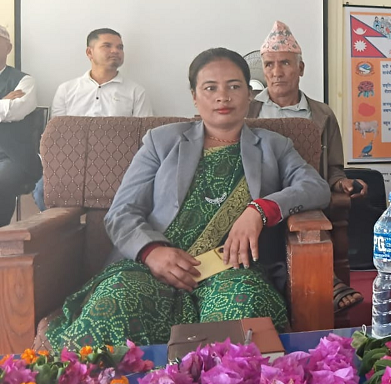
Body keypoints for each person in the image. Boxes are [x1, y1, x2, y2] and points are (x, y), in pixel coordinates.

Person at [43, 48, 331, 348]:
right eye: (210, 88)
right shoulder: (162, 141)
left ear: (249, 94)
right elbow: (122, 212)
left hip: (231, 270)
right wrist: (151, 252)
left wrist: (260, 209)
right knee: (117, 300)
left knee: (244, 306)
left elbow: (315, 187)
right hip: (151, 268)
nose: (223, 97)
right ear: (194, 96)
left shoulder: (275, 146)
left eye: (234, 86)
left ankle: (226, 380)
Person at [248, 20, 367, 313]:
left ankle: (312, 286)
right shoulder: (249, 110)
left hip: (306, 198)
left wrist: (341, 182)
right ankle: (325, 282)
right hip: (257, 196)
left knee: (306, 222)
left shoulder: (322, 114)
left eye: (285, 63)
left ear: (300, 68)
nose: (277, 72)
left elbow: (334, 168)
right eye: (269, 64)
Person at [34, 27, 153, 210]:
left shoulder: (135, 91)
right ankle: (67, 228)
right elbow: (58, 133)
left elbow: (146, 136)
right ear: (89, 52)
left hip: (118, 163)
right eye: (107, 46)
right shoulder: (67, 90)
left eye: (120, 47)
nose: (115, 51)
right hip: (72, 162)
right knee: (42, 191)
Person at [0, 25, 41, 227]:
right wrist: (3, 102)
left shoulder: (24, 81)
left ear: (8, 48)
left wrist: (8, 106)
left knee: (1, 181)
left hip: (13, 157)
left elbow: (16, 110)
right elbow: (6, 110)